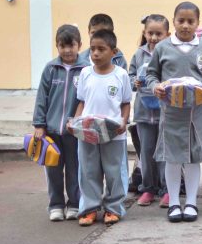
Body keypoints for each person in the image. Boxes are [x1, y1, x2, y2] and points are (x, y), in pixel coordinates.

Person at [146, 2, 202, 223]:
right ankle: (175, 204)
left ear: (198, 23)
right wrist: (155, 87)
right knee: (173, 158)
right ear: (174, 21)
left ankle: (191, 203)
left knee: (193, 159)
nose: (186, 26)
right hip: (171, 113)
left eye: (191, 21)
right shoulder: (163, 48)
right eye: (181, 21)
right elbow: (151, 75)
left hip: (196, 114)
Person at [72, 29, 132, 226]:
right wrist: (75, 121)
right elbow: (81, 101)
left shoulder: (121, 75)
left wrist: (124, 121)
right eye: (92, 49)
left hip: (114, 133)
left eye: (101, 49)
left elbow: (125, 103)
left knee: (114, 172)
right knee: (88, 171)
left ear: (113, 52)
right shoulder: (85, 73)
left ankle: (113, 208)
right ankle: (89, 209)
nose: (95, 54)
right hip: (88, 132)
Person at [31, 24, 89, 222]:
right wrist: (39, 124)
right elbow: (41, 98)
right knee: (53, 169)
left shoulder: (86, 69)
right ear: (57, 46)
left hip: (73, 131)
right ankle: (55, 205)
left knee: (74, 168)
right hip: (51, 130)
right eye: (62, 46)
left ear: (79, 44)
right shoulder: (50, 68)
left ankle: (74, 203)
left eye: (71, 45)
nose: (67, 50)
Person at [129, 14, 169, 208]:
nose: (153, 38)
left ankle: (167, 189)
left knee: (164, 153)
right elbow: (129, 77)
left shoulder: (169, 53)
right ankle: (148, 189)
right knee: (146, 153)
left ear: (167, 35)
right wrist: (134, 82)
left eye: (158, 34)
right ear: (144, 33)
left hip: (164, 112)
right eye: (150, 33)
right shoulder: (138, 54)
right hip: (144, 113)